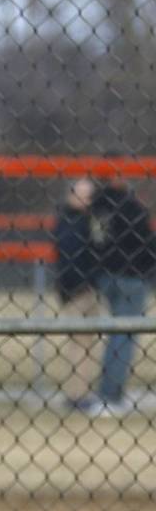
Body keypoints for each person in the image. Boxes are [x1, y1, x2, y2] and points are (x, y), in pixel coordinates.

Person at [88, 167, 156, 413]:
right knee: (124, 336)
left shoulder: (97, 206)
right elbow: (146, 241)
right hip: (130, 276)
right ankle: (111, 395)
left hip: (106, 275)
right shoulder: (128, 206)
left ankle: (109, 392)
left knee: (117, 333)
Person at [53, 177, 102, 412]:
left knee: (85, 344)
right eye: (83, 194)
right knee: (80, 344)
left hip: (84, 288)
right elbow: (70, 258)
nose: (87, 199)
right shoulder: (70, 221)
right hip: (77, 290)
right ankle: (77, 395)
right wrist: (80, 285)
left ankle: (79, 392)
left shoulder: (83, 220)